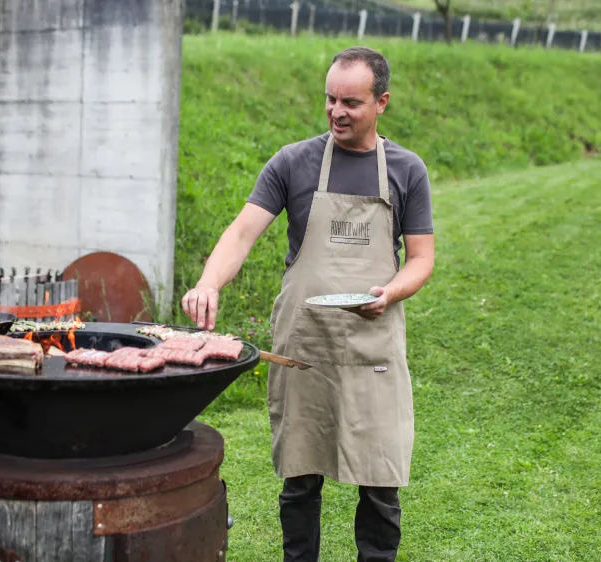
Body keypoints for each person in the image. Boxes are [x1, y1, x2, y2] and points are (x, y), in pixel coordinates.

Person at [181, 46, 435, 562]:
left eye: (351, 102)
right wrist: (209, 282)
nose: (337, 111)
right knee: (300, 479)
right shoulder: (294, 162)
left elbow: (421, 259)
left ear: (381, 102)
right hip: (306, 343)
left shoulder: (407, 170)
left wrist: (391, 292)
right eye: (330, 99)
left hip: (373, 346)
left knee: (380, 482)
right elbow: (242, 233)